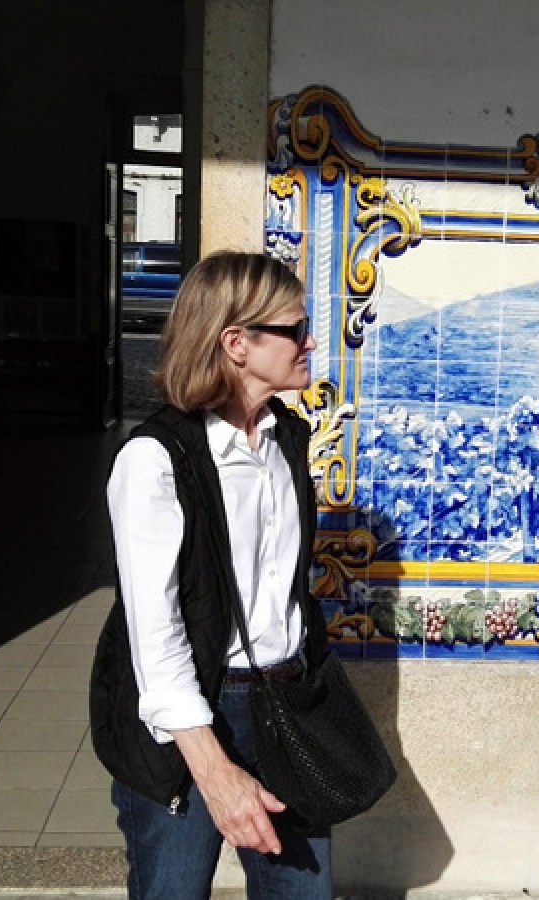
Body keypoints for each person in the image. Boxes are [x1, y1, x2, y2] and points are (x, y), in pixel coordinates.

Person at [90, 251, 331, 900]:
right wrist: (213, 769)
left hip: (285, 709)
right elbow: (156, 635)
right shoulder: (155, 459)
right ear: (236, 343)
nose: (311, 341)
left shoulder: (288, 439)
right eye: (295, 329)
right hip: (192, 717)